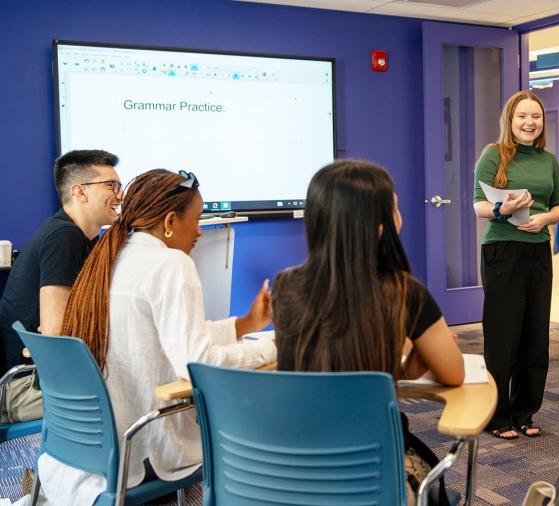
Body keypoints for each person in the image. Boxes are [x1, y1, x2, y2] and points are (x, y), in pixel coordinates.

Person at [38, 169, 275, 505]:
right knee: (253, 437)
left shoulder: (112, 258)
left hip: (86, 453)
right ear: (169, 221)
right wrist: (274, 348)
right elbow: (197, 363)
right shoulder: (171, 264)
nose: (199, 231)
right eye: (195, 220)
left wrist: (246, 324)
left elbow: (164, 339)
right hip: (144, 449)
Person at [271, 160, 464, 504]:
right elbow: (453, 373)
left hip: (293, 466)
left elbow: (326, 369)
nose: (401, 217)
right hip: (373, 469)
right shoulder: (405, 292)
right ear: (378, 230)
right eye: (396, 209)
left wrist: (401, 369)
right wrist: (411, 363)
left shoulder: (286, 286)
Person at [472, 91, 559, 440]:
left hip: (538, 249)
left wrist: (543, 219)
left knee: (535, 333)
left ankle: (525, 411)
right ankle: (497, 416)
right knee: (502, 334)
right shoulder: (493, 155)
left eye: (536, 117)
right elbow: (479, 205)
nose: (530, 123)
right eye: (522, 117)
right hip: (502, 249)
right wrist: (504, 210)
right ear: (510, 121)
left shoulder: (548, 160)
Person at [0, 150, 121, 373]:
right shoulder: (64, 237)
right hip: (33, 383)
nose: (120, 196)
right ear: (80, 191)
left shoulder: (81, 237)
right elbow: (55, 332)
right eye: (111, 185)